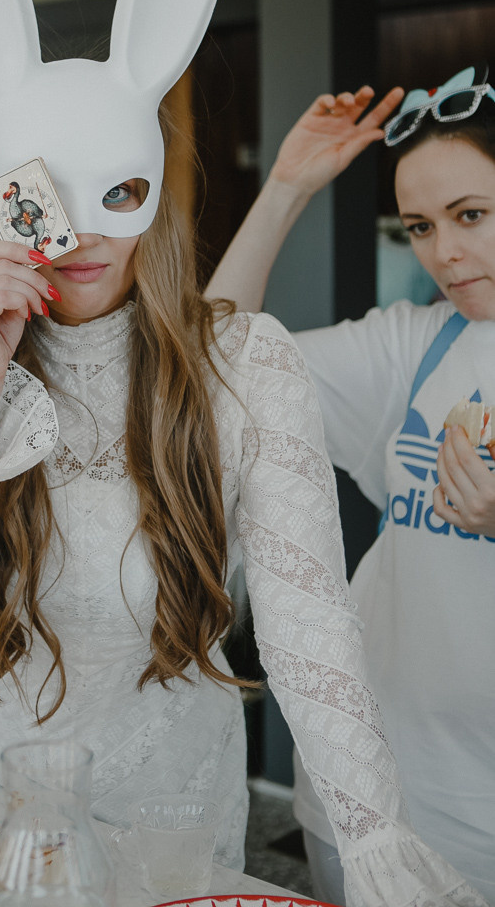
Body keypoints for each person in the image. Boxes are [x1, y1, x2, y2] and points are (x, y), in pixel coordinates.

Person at [0, 0, 485, 907]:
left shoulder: (244, 359)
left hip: (174, 799)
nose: (79, 238)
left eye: (115, 191)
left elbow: (304, 619)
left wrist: (374, 834)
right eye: (45, 195)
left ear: (153, 180)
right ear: (2, 189)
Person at [204, 66, 495, 903]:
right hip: (371, 796)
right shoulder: (413, 346)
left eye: (470, 216)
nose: (443, 251)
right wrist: (286, 188)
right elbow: (214, 363)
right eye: (418, 226)